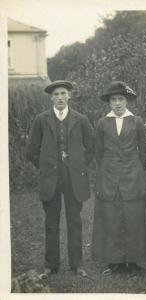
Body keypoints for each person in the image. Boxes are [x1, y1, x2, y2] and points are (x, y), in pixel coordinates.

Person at [26, 80, 94, 278]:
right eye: (56, 94)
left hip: (74, 179)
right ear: (51, 98)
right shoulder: (41, 119)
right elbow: (31, 151)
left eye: (63, 93)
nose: (60, 97)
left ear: (69, 96)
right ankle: (50, 266)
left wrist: (79, 165)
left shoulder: (80, 119)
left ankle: (77, 265)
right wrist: (46, 167)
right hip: (50, 180)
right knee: (51, 223)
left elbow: (91, 147)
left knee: (75, 222)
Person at [92, 81, 146, 277]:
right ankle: (115, 261)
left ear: (126, 101)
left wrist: (136, 169)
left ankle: (134, 261)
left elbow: (145, 152)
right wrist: (107, 169)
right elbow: (98, 152)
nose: (117, 103)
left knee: (134, 217)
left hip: (133, 175)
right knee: (110, 217)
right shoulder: (102, 123)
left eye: (121, 99)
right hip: (109, 177)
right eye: (113, 100)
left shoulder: (137, 121)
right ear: (109, 103)